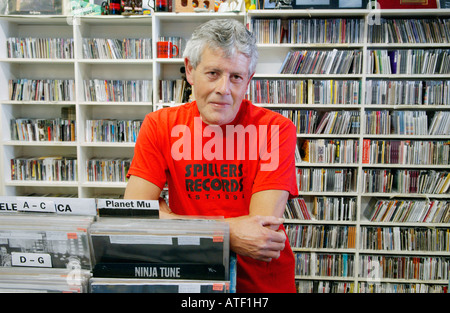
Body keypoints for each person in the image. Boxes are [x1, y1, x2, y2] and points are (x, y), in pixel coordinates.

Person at [124, 19, 299, 293]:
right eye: (213, 73)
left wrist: (170, 220)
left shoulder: (276, 130)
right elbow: (135, 214)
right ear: (191, 71)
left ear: (249, 80)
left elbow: (259, 236)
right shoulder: (159, 125)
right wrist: (230, 233)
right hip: (189, 276)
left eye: (236, 77)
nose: (224, 89)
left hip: (259, 284)